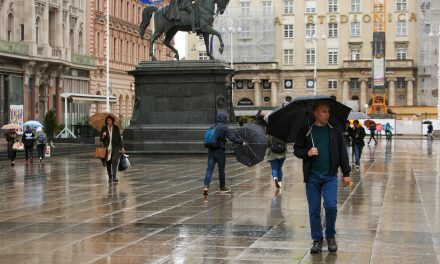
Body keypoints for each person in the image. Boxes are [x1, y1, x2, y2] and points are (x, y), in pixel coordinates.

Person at [293, 102, 351, 254]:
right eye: (324, 112)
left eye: (328, 112)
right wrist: (308, 152)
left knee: (331, 207)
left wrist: (346, 173)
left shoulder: (335, 130)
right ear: (315, 113)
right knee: (314, 210)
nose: (327, 114)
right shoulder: (306, 130)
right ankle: (317, 240)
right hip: (312, 177)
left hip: (330, 176)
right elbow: (297, 150)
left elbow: (343, 152)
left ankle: (330, 236)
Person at [203, 112, 243, 195]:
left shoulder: (212, 126)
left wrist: (224, 139)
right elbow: (232, 138)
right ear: (224, 118)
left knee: (209, 169)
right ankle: (222, 187)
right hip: (220, 151)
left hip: (211, 150)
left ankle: (206, 187)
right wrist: (241, 142)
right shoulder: (224, 127)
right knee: (221, 170)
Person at [100, 116, 124, 183]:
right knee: (108, 162)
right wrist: (103, 136)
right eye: (108, 120)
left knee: (114, 161)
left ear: (112, 121)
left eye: (110, 120)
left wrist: (122, 147)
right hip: (107, 148)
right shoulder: (104, 128)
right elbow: (101, 139)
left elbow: (119, 138)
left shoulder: (116, 128)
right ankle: (110, 177)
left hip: (115, 148)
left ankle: (114, 176)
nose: (109, 122)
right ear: (106, 121)